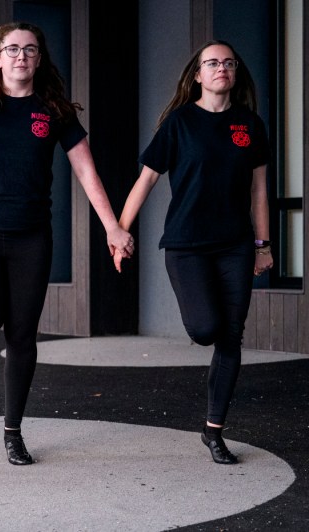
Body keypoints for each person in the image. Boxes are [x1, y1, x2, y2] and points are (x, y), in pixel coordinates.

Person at [0, 22, 133, 466]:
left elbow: (87, 172)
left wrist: (112, 228)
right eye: (13, 49)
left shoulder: (55, 112)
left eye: (30, 49)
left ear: (39, 59)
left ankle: (13, 432)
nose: (22, 56)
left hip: (31, 238)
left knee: (23, 335)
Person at [113, 40, 272, 464]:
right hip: (186, 246)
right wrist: (119, 231)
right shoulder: (179, 123)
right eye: (212, 63)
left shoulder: (250, 125)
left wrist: (263, 245)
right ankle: (213, 406)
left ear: (235, 73)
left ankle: (214, 431)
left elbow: (259, 190)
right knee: (206, 329)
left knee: (231, 337)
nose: (221, 68)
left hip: (236, 245)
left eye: (228, 62)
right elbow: (145, 181)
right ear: (197, 75)